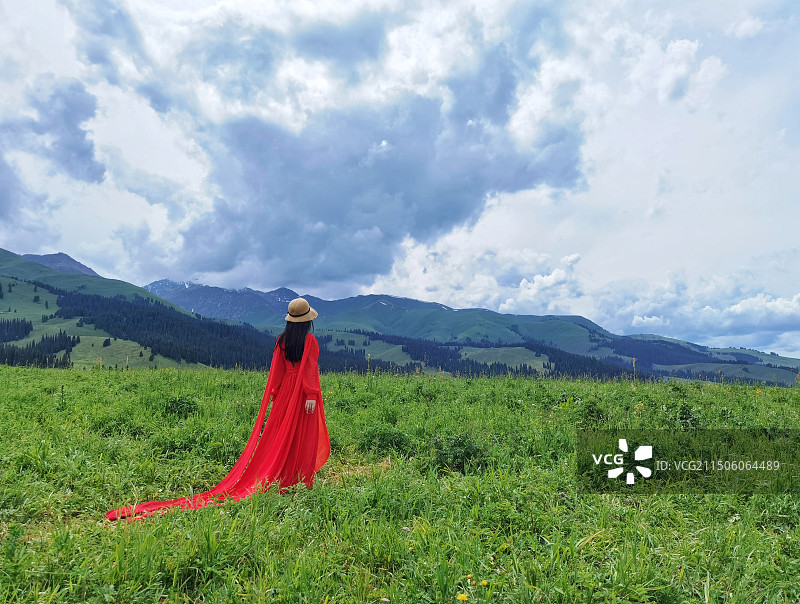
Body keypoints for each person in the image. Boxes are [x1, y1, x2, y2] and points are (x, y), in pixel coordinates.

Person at [106, 297, 330, 520]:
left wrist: (276, 394)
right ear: (307, 320)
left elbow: (277, 372)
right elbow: (310, 369)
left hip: (285, 394)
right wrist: (311, 394)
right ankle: (294, 475)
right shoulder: (310, 341)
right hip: (300, 393)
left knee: (281, 434)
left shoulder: (282, 340)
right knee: (300, 433)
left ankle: (285, 472)